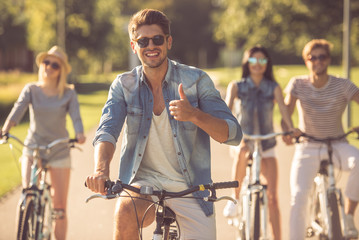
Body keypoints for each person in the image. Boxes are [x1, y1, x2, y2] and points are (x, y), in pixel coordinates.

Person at [85, 8, 242, 240]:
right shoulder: (123, 85)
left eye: (157, 39)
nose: (151, 46)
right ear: (133, 46)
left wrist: (195, 115)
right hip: (143, 185)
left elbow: (233, 134)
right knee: (125, 211)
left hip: (191, 189)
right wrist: (100, 170)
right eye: (143, 41)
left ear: (168, 42)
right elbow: (108, 129)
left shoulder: (196, 80)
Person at [1, 46, 86, 240]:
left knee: (59, 209)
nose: (49, 67)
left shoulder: (68, 93)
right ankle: (23, 232)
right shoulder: (31, 89)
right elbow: (17, 111)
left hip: (58, 149)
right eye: (46, 62)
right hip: (33, 147)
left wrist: (79, 133)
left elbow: (76, 118)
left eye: (55, 65)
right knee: (27, 194)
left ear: (61, 70)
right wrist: (5, 130)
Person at [282, 39, 359, 240]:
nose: (317, 61)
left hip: (338, 143)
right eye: (312, 57)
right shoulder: (297, 84)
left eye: (321, 57)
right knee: (298, 198)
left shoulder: (343, 85)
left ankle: (349, 216)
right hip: (308, 146)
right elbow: (285, 114)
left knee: (358, 162)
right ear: (306, 61)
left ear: (328, 60)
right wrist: (289, 130)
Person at [223, 45, 296, 240]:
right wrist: (224, 126)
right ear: (247, 63)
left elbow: (283, 111)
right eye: (253, 60)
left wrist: (290, 129)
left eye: (262, 60)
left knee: (272, 197)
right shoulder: (236, 86)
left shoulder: (273, 87)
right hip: (244, 139)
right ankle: (235, 198)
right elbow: (226, 110)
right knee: (242, 150)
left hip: (267, 143)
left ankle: (277, 237)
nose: (258, 64)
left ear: (267, 64)